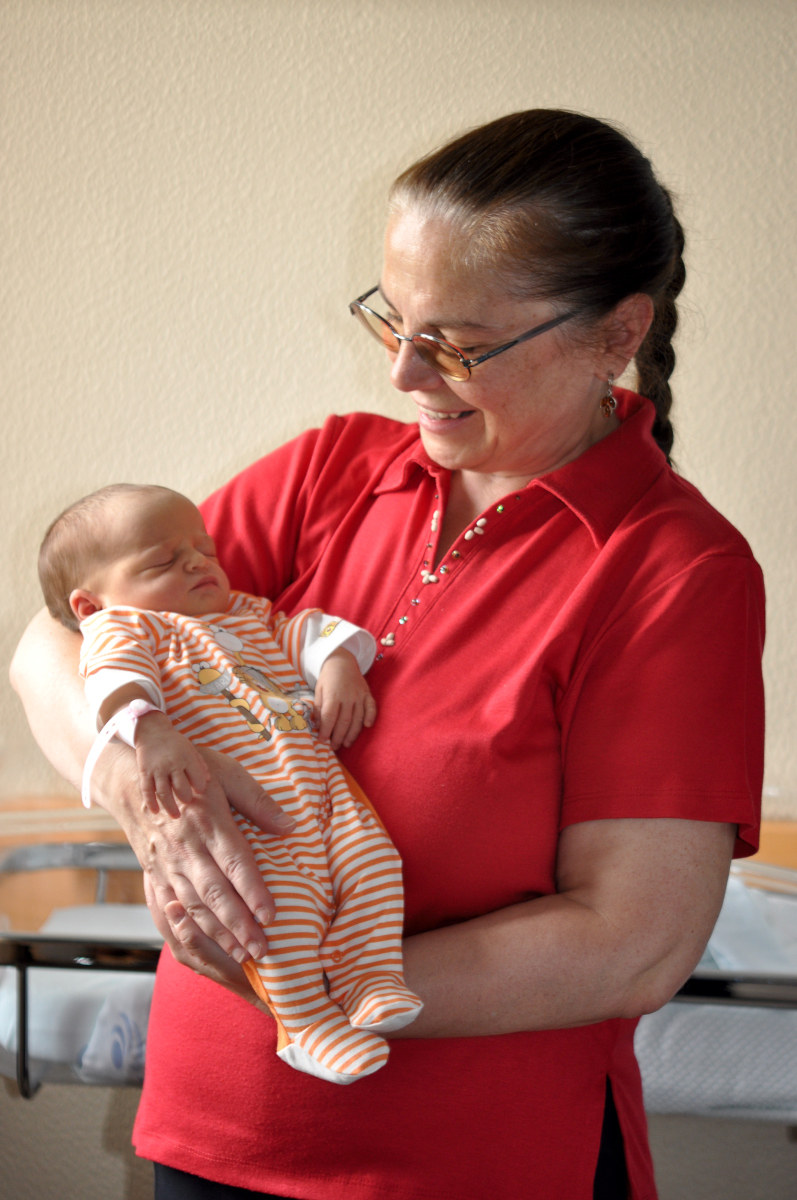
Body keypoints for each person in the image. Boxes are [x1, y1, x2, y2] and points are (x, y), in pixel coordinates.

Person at [11, 109, 765, 1200]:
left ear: (615, 334)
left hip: (468, 1166)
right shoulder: (331, 472)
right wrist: (138, 783)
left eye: (457, 342)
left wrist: (310, 981)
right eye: (393, 321)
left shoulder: (671, 571)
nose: (406, 374)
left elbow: (631, 942)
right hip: (210, 1130)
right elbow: (56, 640)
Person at [38, 482, 422, 1084]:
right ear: (91, 606)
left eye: (204, 550)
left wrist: (340, 664)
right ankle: (305, 1024)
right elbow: (113, 682)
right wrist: (152, 732)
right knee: (274, 913)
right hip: (242, 813)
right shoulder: (129, 629)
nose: (196, 563)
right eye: (164, 560)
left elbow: (305, 631)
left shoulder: (247, 613)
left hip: (321, 787)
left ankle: (368, 976)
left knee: (373, 862)